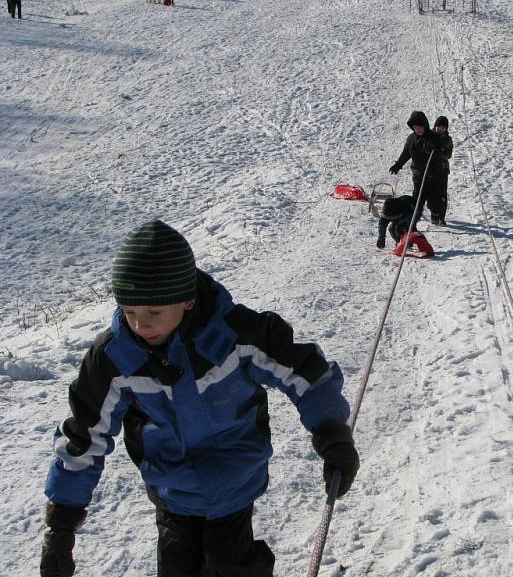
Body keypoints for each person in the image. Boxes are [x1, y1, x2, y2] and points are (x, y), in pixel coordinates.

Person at [39, 220, 359, 577]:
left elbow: (307, 375)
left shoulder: (236, 337)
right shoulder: (116, 359)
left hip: (234, 482)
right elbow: (85, 436)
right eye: (129, 312)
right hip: (171, 489)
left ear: (188, 300)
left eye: (154, 313)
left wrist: (332, 433)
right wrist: (62, 523)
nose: (140, 326)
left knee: (230, 566)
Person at [389, 111, 449, 226]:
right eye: (415, 128)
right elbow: (406, 153)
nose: (418, 130)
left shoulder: (433, 136)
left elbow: (443, 152)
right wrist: (398, 165)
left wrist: (437, 150)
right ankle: (412, 222)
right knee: (417, 201)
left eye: (420, 127)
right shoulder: (411, 139)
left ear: (425, 126)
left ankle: (436, 215)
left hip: (434, 176)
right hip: (419, 175)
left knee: (434, 200)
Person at [431, 116, 453, 226]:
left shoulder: (447, 139)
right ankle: (434, 215)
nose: (441, 129)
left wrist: (440, 151)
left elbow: (448, 154)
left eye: (443, 128)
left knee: (442, 195)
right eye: (439, 127)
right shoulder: (429, 136)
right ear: (435, 126)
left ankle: (441, 217)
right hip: (429, 170)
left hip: (442, 170)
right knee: (431, 194)